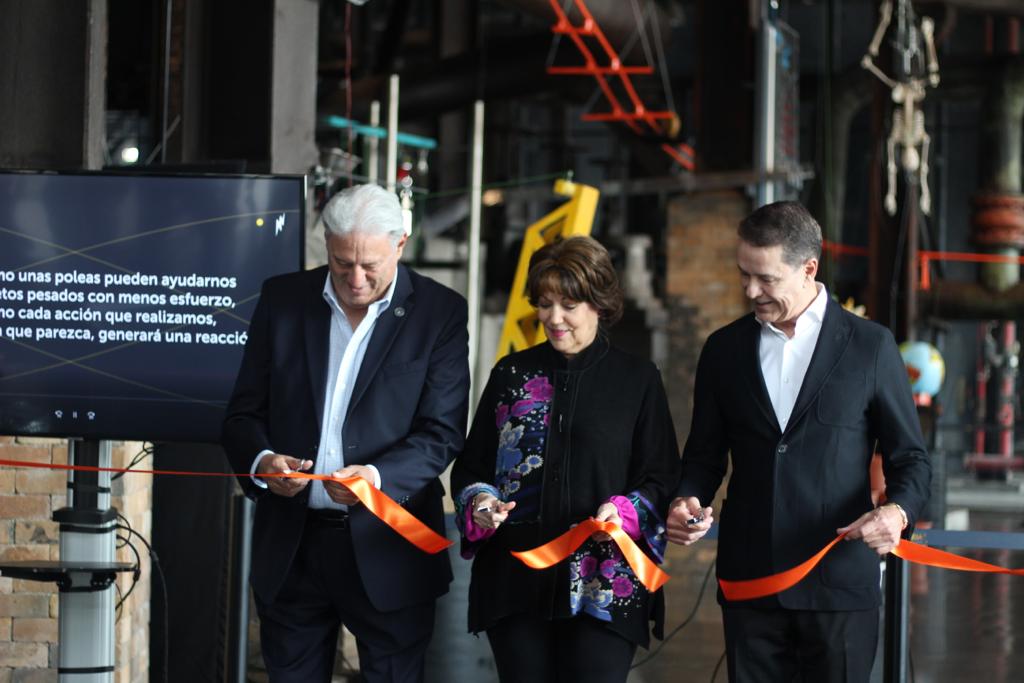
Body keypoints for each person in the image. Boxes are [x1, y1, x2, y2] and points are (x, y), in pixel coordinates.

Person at [666, 201, 931, 682]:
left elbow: (910, 458)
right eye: (744, 274)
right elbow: (704, 455)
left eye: (765, 278)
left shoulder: (870, 346)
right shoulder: (723, 350)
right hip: (750, 584)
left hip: (839, 588)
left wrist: (897, 511)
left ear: (809, 268)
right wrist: (688, 497)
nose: (750, 290)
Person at [222, 183, 470, 683]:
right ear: (327, 246)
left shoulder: (439, 313)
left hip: (389, 547)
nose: (355, 279)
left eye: (370, 265)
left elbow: (441, 433)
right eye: (341, 263)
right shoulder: (283, 299)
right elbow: (242, 414)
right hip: (292, 547)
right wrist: (264, 462)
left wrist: (376, 478)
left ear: (400, 245)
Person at [451, 235, 680, 682]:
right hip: (514, 577)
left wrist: (624, 510)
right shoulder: (511, 374)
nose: (553, 318)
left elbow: (661, 476)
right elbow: (473, 467)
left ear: (599, 303)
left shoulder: (637, 380)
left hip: (604, 579)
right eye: (544, 303)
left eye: (569, 304)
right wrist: (481, 503)